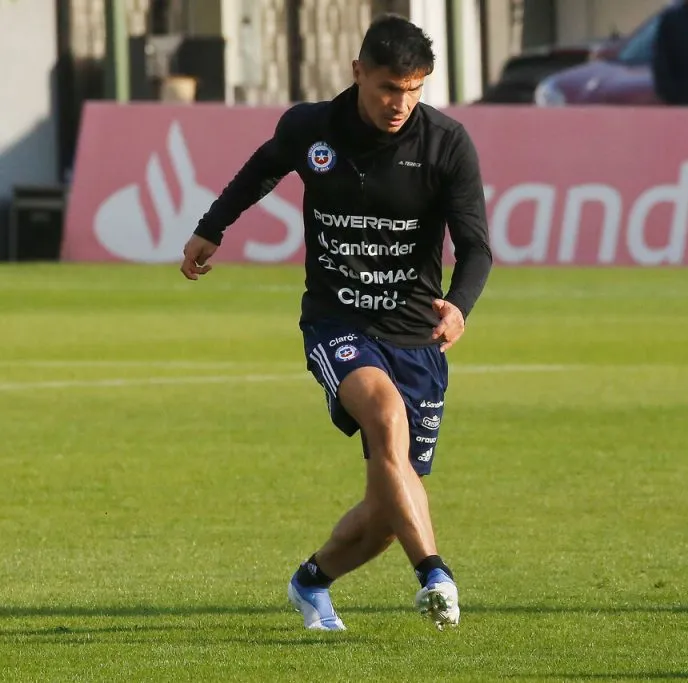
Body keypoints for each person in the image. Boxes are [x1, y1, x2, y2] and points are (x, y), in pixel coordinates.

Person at [178, 14, 493, 632]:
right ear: (358, 72)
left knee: (384, 510)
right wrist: (212, 228)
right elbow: (262, 168)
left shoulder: (446, 144)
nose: (399, 102)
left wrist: (460, 304)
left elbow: (476, 246)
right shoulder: (312, 126)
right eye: (387, 87)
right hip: (337, 319)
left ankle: (311, 581)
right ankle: (435, 571)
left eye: (414, 88)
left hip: (415, 333)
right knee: (384, 416)